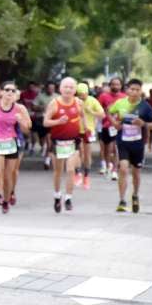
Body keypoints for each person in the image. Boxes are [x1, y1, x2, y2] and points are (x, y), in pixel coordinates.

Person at [109, 79, 152, 213]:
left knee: (136, 172)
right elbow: (109, 112)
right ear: (127, 90)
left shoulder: (145, 107)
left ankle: (135, 195)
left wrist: (144, 124)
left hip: (138, 144)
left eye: (137, 90)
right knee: (123, 169)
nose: (134, 92)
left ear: (141, 91)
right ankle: (122, 200)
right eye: (132, 89)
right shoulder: (120, 103)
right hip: (123, 142)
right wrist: (115, 123)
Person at [0, 82, 32, 214]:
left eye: (13, 90)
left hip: (12, 143)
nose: (10, 93)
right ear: (1, 92)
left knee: (7, 176)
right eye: (7, 90)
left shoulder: (20, 109)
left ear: (15, 94)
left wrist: (21, 120)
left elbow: (27, 128)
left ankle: (5, 200)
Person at [44, 77, 86, 213]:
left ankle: (68, 198)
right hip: (58, 142)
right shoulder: (54, 103)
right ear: (60, 89)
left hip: (73, 141)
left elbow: (82, 116)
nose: (68, 89)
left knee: (70, 170)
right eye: (65, 87)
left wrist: (85, 129)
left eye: (71, 87)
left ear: (75, 90)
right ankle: (57, 196)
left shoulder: (78, 103)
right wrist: (58, 122)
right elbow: (45, 122)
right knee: (58, 171)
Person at [76, 83, 105, 190]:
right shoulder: (75, 101)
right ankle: (78, 173)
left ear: (87, 93)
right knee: (79, 152)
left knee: (87, 154)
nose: (81, 97)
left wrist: (91, 111)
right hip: (76, 130)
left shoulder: (92, 100)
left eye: (83, 95)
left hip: (89, 130)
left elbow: (102, 115)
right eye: (79, 95)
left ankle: (86, 176)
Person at [97, 78, 126, 179]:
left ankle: (114, 170)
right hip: (106, 126)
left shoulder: (124, 97)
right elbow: (98, 110)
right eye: (113, 84)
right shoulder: (103, 96)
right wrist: (105, 113)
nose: (115, 87)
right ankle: (107, 165)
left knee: (116, 148)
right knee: (107, 149)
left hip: (119, 126)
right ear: (110, 86)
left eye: (117, 85)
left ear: (121, 86)